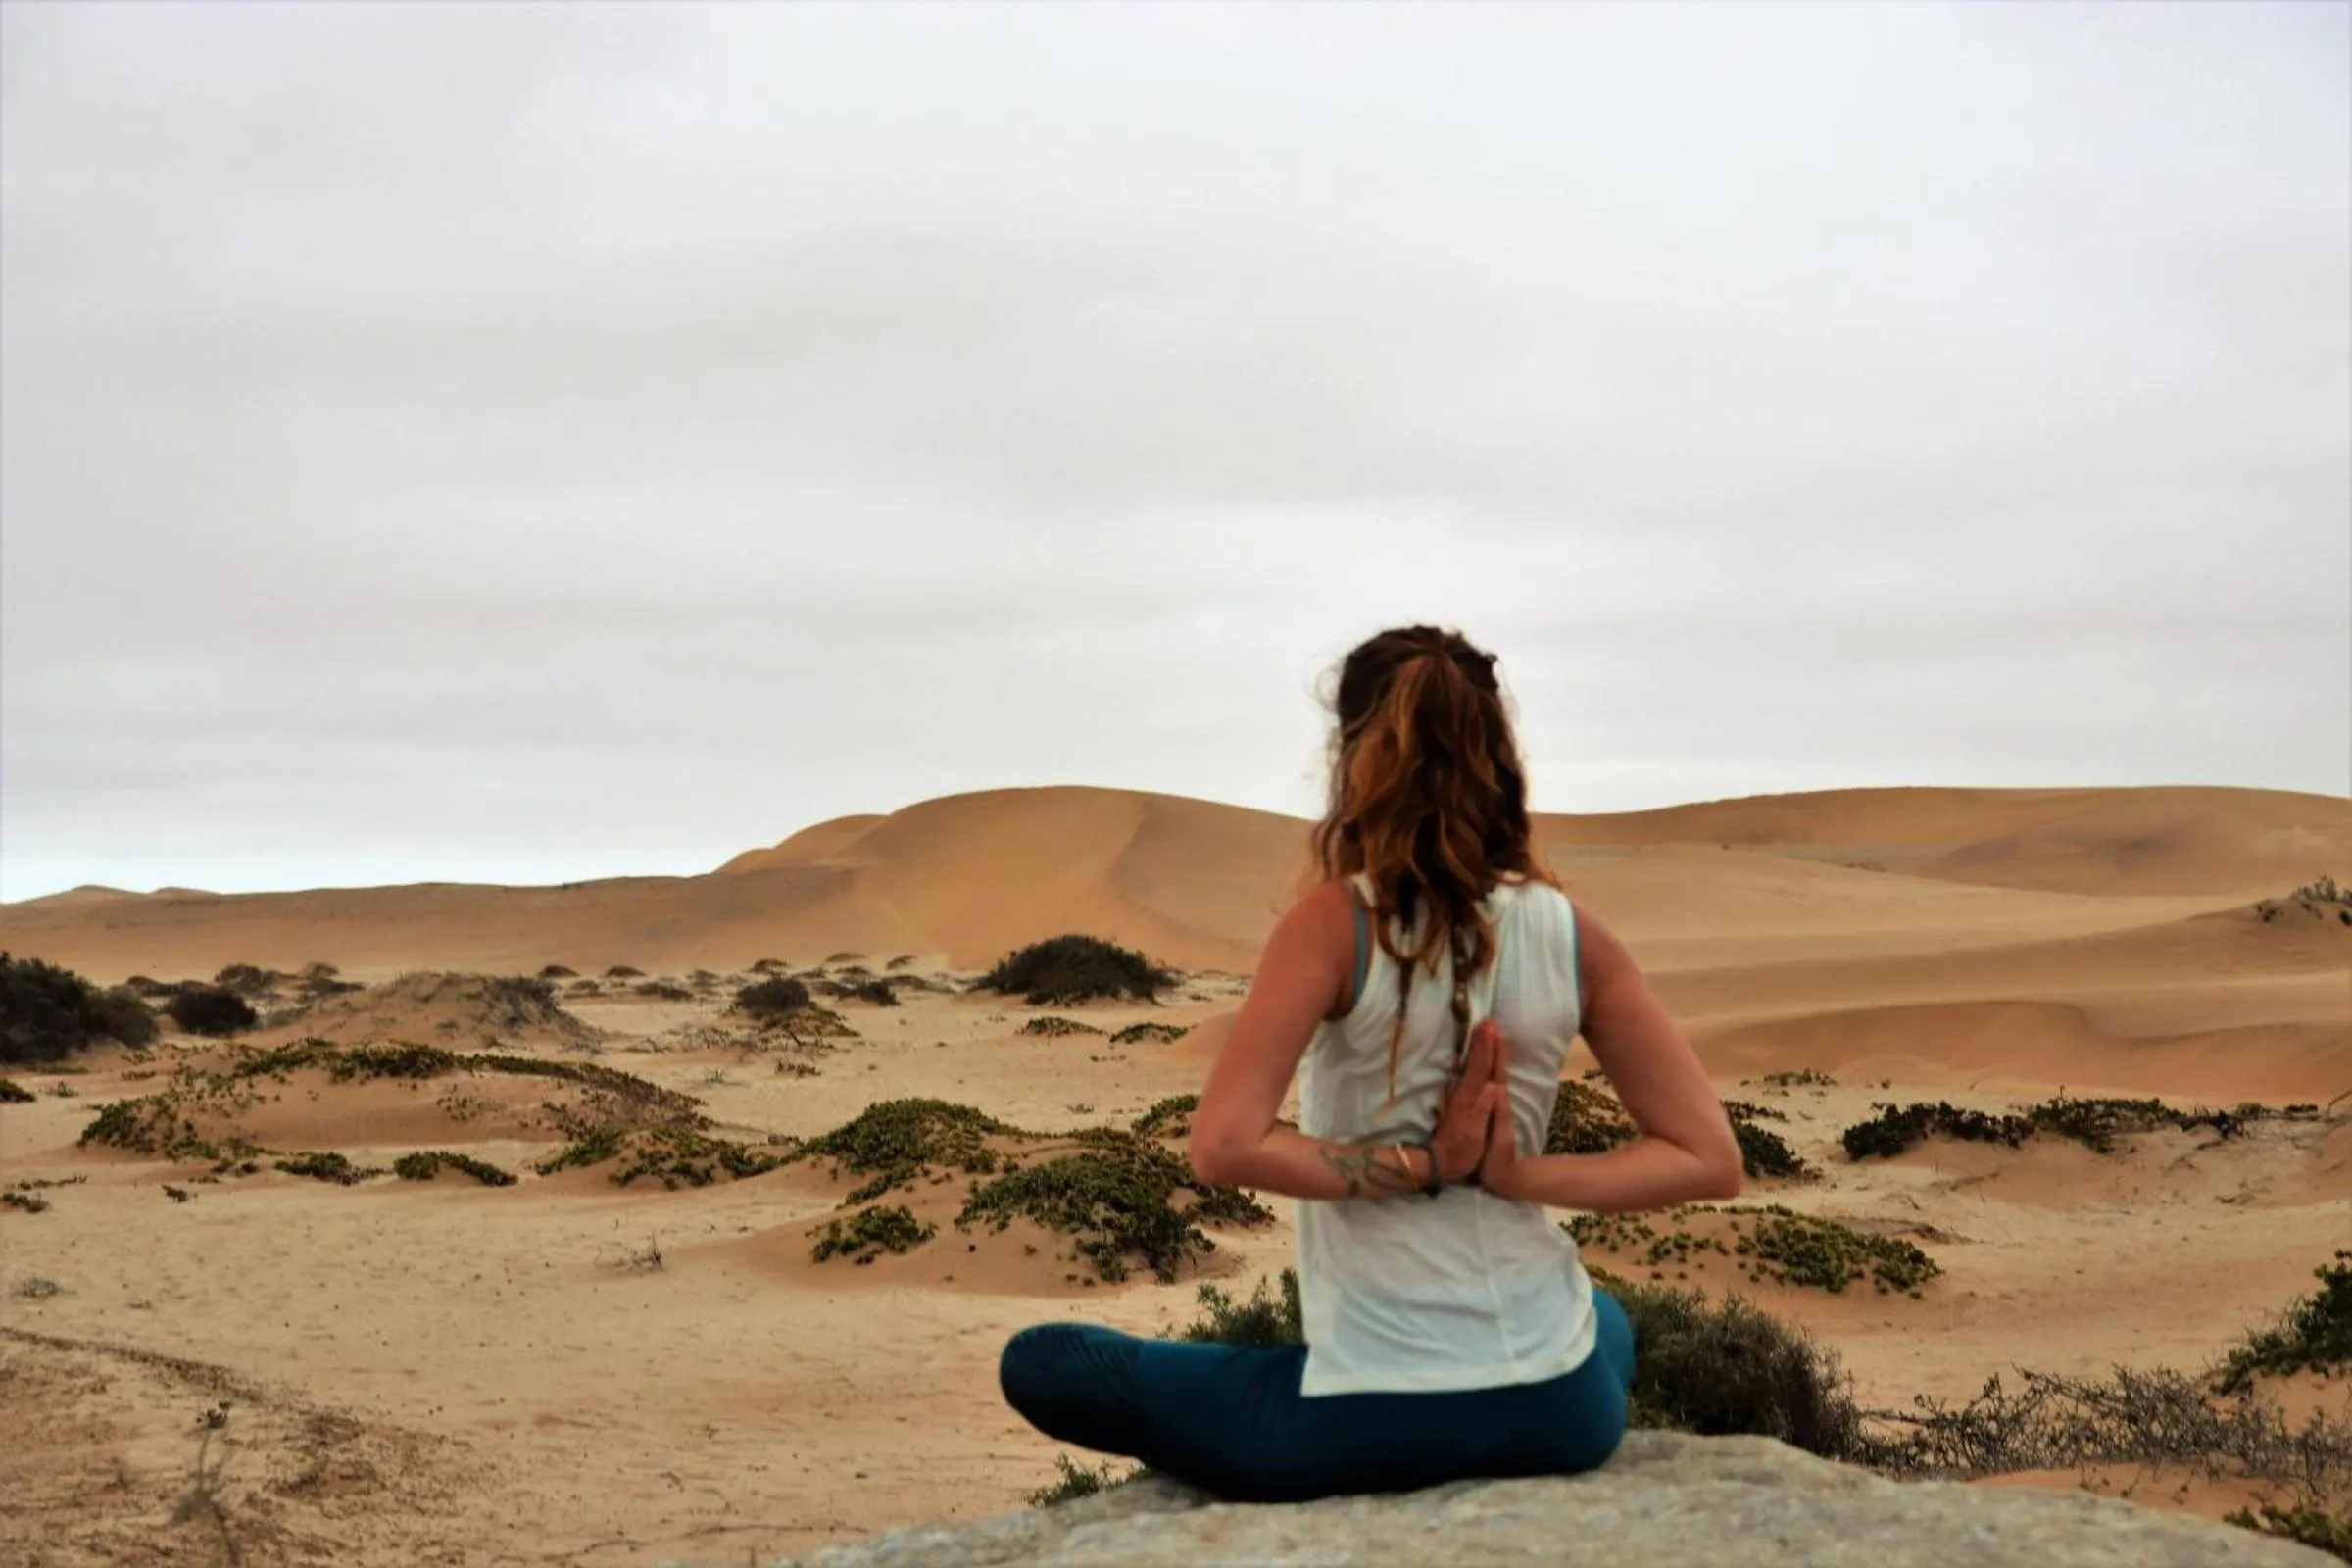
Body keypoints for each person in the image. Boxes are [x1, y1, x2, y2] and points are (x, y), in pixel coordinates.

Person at [998, 625, 1743, 1503]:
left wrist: (1432, 1167)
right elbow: (1710, 1159)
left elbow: (1223, 1146)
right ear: (1500, 759)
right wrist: (1520, 1175)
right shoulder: (1575, 934)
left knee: (1045, 1362)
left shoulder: (1333, 925)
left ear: (1354, 759)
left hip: (1373, 1415)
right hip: (1563, 1411)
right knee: (1602, 1318)